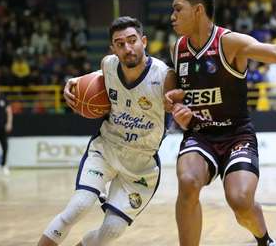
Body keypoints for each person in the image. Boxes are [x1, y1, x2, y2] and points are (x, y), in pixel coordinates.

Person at [37, 16, 177, 246]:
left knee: (111, 230)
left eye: (132, 41)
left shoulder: (164, 76)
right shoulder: (108, 64)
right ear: (113, 48)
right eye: (120, 44)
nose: (127, 48)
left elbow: (178, 104)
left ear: (144, 41)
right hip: (107, 149)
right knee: (78, 206)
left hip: (141, 163)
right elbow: (84, 82)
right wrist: (71, 82)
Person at [164, 0, 276, 246]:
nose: (172, 17)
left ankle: (263, 239)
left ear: (198, 11)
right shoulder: (177, 48)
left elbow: (275, 52)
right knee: (188, 181)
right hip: (201, 135)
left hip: (237, 134)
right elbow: (174, 84)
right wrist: (173, 104)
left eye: (177, 10)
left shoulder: (229, 43)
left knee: (240, 202)